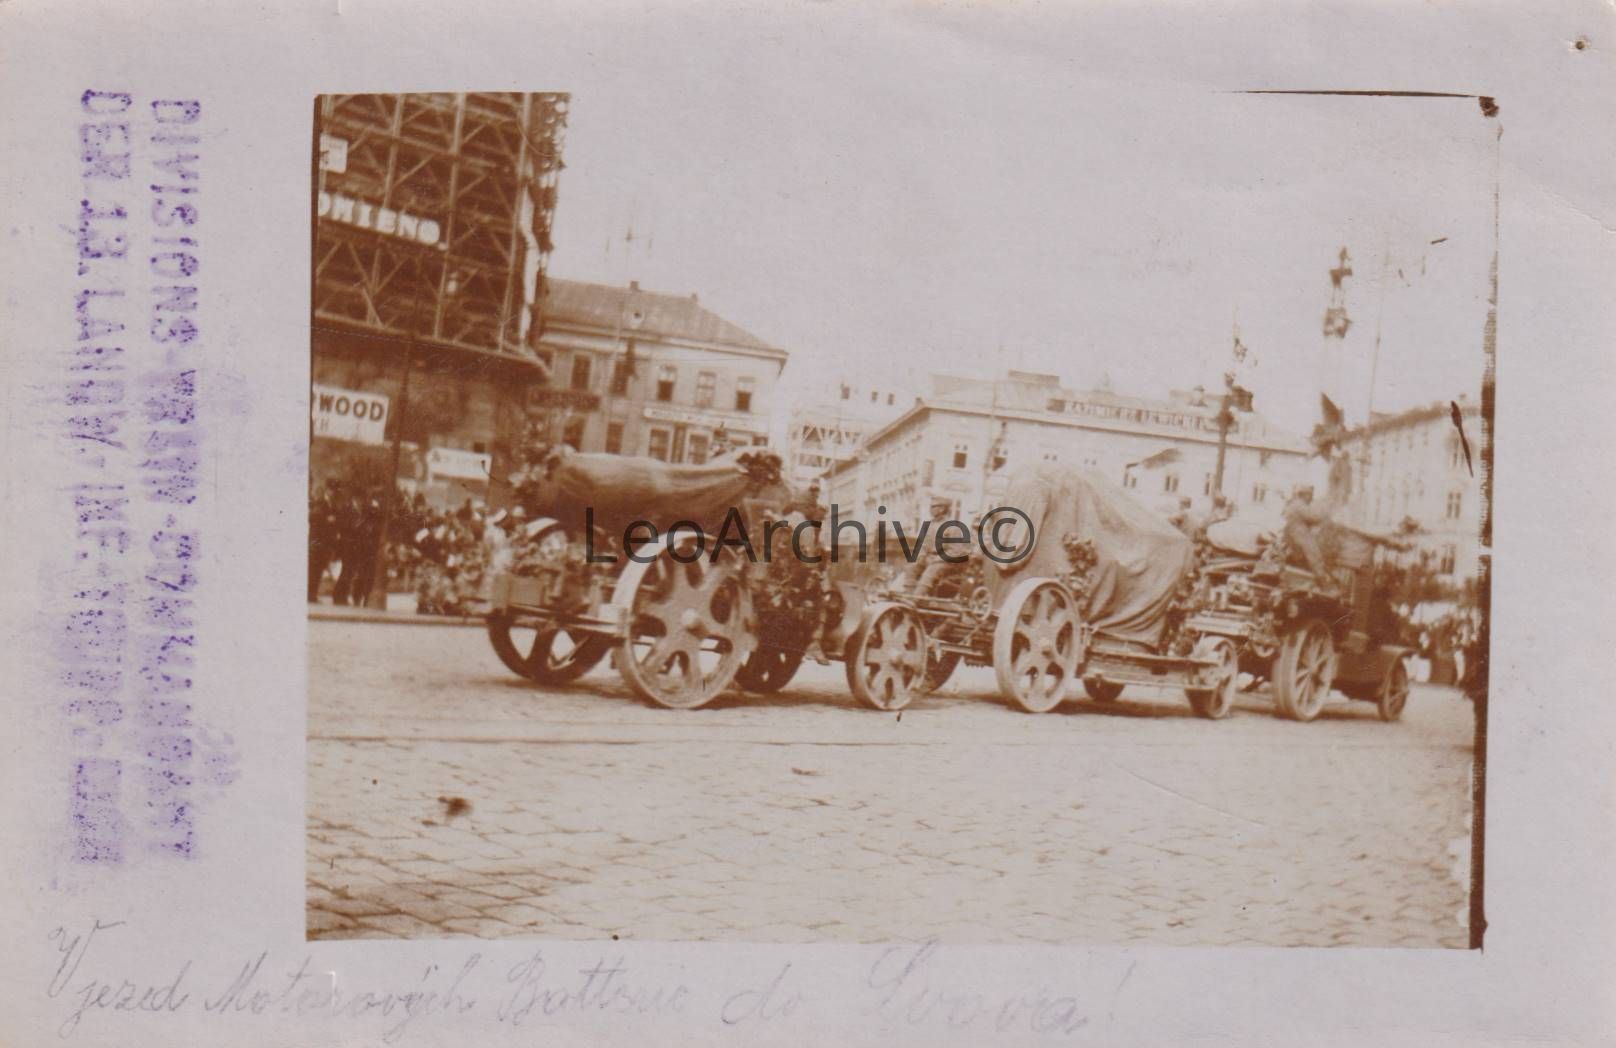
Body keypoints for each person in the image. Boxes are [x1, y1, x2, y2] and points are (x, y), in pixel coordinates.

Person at [1282, 397, 1353, 586]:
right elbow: (1314, 511)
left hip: (1318, 504)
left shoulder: (1329, 462)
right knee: (1311, 547)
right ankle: (1322, 576)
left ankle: (1323, 574)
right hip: (1307, 514)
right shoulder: (1315, 464)